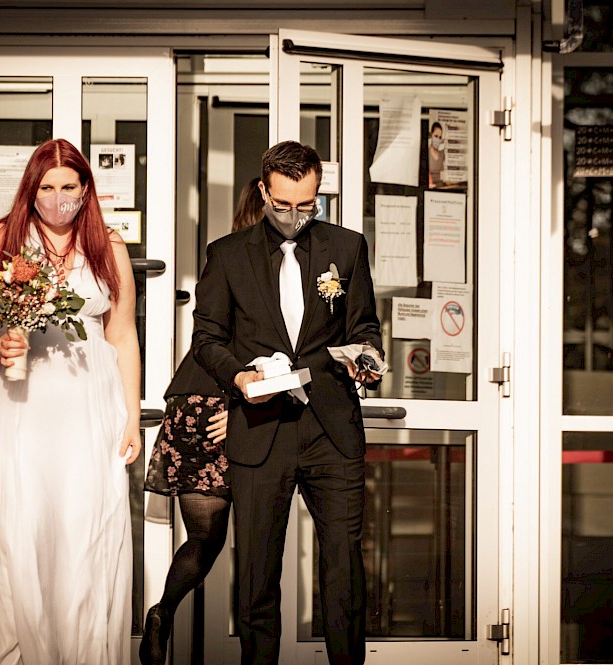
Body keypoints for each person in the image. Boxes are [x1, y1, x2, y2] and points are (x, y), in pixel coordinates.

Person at [0, 138, 142, 665]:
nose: (58, 198)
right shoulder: (2, 238)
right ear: (31, 190)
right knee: (19, 526)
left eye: (68, 187)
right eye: (47, 188)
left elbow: (122, 335)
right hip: (20, 402)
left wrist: (131, 418)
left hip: (88, 404)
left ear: (85, 190)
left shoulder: (109, 245)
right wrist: (0, 341)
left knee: (84, 529)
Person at [192, 141, 382, 665]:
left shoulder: (347, 248)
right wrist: (239, 377)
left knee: (344, 567)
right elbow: (206, 339)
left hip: (332, 431)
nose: (295, 218)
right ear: (263, 191)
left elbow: (364, 324)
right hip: (260, 427)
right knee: (256, 573)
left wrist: (364, 355)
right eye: (283, 205)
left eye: (307, 205)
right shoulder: (226, 255)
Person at [138, 175, 265, 665]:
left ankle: (163, 613)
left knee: (205, 538)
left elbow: (207, 338)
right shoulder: (267, 267)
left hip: (191, 400)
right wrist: (234, 408)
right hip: (231, 401)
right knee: (255, 537)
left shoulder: (224, 257)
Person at [428, 120, 446, 189]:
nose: (438, 139)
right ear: (431, 135)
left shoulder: (443, 154)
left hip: (443, 189)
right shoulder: (426, 154)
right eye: (436, 136)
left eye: (440, 137)